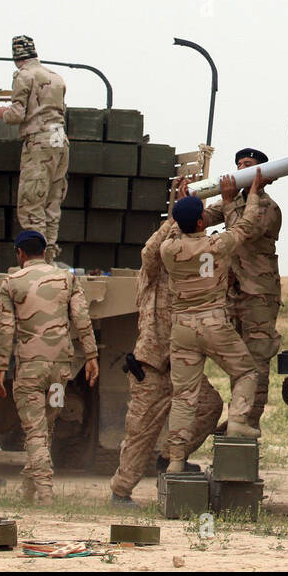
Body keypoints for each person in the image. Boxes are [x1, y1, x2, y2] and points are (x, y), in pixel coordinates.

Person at [108, 180, 222, 506]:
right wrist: (176, 215)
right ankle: (121, 491)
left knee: (210, 406)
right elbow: (150, 251)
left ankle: (169, 457)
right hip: (153, 365)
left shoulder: (187, 267)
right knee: (141, 429)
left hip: (182, 362)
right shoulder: (153, 271)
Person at [160, 169, 266, 474]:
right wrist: (253, 192)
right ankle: (237, 423)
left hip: (182, 328)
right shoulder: (217, 245)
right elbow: (245, 225)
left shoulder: (170, 249)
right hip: (214, 322)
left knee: (183, 396)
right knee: (245, 371)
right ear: (200, 222)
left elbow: (175, 227)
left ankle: (176, 460)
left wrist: (181, 203)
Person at [0, 229, 99, 503]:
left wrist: (1, 366)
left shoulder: (11, 282)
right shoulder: (67, 278)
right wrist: (91, 356)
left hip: (31, 366)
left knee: (35, 429)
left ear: (20, 254)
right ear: (46, 252)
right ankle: (28, 489)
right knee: (47, 426)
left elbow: (5, 329)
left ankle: (45, 491)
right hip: (61, 368)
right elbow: (82, 318)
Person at [202, 147, 283, 428]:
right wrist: (187, 198)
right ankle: (238, 413)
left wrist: (226, 203)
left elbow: (242, 232)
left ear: (264, 175)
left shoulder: (267, 207)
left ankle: (250, 419)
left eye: (247, 165)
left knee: (257, 358)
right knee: (237, 359)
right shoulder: (233, 200)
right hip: (232, 292)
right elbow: (202, 219)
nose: (240, 169)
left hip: (258, 293)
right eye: (238, 165)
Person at [0, 36, 69, 262]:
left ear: (16, 57)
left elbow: (17, 114)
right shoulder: (56, 77)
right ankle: (50, 256)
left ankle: (37, 261)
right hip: (60, 140)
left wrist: (3, 113)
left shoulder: (23, 75)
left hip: (39, 141)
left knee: (31, 203)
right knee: (52, 202)